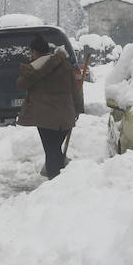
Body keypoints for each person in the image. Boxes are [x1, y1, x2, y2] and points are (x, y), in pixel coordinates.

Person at [16, 35, 84, 179]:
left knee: (51, 150)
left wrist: (29, 67)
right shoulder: (64, 64)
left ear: (34, 52)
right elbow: (75, 89)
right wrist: (77, 109)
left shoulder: (34, 68)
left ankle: (55, 179)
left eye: (31, 53)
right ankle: (61, 177)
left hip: (45, 118)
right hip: (65, 116)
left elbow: (21, 85)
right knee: (54, 150)